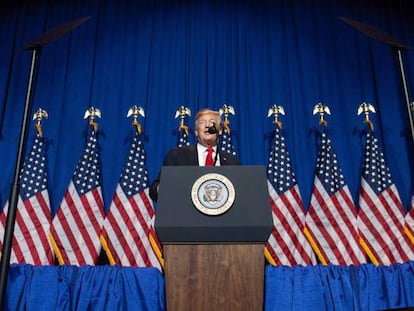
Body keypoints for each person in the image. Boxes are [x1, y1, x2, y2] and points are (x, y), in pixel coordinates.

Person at [149, 108, 240, 202]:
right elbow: (154, 191)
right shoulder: (177, 155)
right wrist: (164, 188)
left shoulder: (232, 161)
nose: (207, 125)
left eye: (212, 122)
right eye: (202, 122)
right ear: (196, 131)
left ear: (220, 130)